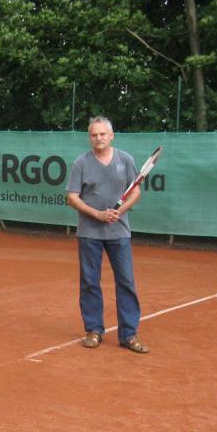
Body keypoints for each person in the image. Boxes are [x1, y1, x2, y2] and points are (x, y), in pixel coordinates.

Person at [65, 116, 149, 354]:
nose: (98, 138)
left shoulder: (125, 160)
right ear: (89, 137)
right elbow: (72, 197)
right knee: (90, 282)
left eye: (102, 134)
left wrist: (119, 212)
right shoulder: (81, 163)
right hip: (89, 233)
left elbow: (136, 192)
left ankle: (129, 335)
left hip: (119, 232)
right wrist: (97, 214)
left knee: (126, 282)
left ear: (111, 136)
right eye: (94, 135)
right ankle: (94, 330)